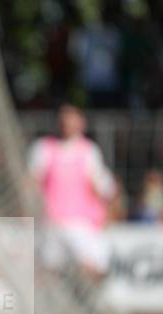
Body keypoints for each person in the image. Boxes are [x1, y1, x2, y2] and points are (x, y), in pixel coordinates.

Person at [28, 104, 116, 280]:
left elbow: (102, 187)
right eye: (64, 119)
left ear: (81, 123)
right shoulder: (43, 148)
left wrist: (107, 212)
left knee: (95, 268)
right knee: (49, 272)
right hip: (51, 223)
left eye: (72, 119)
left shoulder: (89, 151)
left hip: (81, 224)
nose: (67, 123)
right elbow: (32, 183)